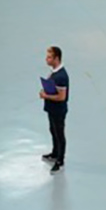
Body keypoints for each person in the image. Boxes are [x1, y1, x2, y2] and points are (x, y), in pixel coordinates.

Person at [39, 46, 69, 174]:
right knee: (53, 130)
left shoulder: (61, 76)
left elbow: (62, 97)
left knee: (59, 134)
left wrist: (46, 95)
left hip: (58, 110)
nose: (46, 59)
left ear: (56, 58)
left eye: (49, 57)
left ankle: (60, 160)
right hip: (52, 109)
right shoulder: (54, 71)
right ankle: (55, 153)